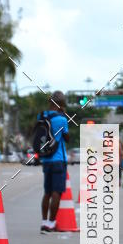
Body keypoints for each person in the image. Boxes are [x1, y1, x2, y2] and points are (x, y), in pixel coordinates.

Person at [38, 91, 70, 233]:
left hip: (46, 159)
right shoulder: (62, 119)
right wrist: (64, 116)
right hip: (58, 159)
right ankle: (51, 223)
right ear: (61, 104)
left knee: (47, 192)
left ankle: (44, 222)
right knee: (57, 192)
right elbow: (67, 138)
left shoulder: (42, 116)